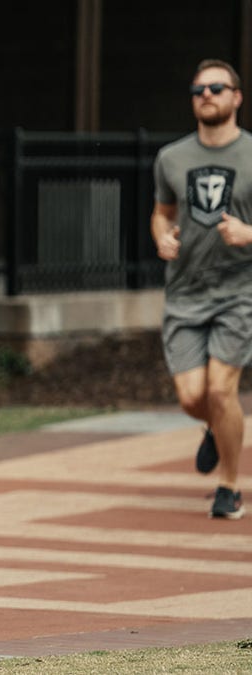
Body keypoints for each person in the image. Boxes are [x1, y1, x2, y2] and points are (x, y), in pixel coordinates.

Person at [152, 58, 252, 519]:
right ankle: (216, 427)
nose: (206, 95)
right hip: (186, 292)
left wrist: (249, 234)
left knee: (220, 390)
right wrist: (161, 235)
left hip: (240, 290)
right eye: (198, 90)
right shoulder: (172, 157)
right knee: (193, 397)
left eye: (216, 87)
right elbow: (162, 211)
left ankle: (229, 487)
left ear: (237, 97)